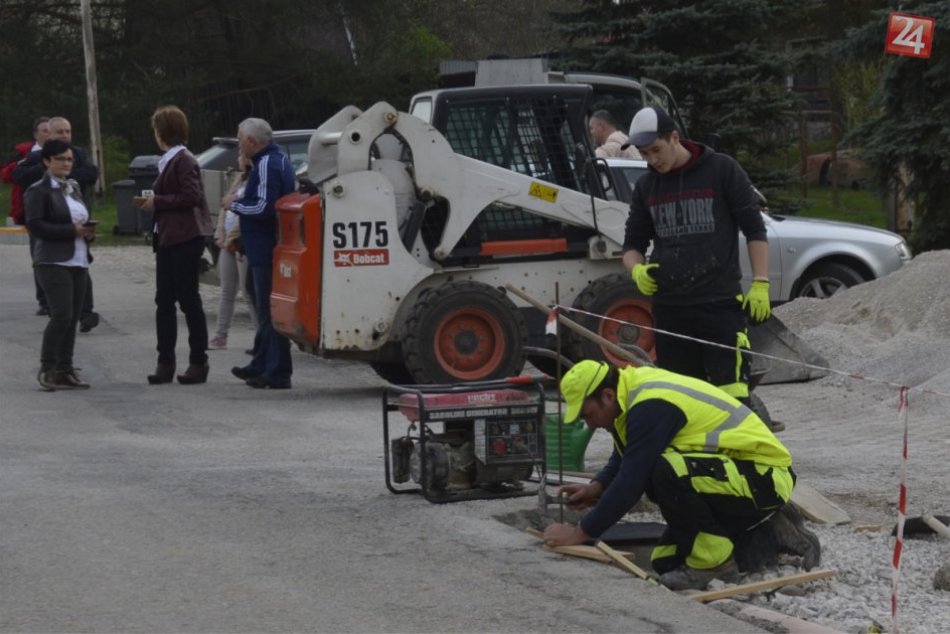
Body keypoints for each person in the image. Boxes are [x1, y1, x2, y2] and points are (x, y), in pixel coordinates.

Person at [542, 360, 820, 590]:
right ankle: (769, 529)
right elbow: (626, 455)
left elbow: (630, 482)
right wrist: (598, 487)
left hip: (763, 477)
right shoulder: (630, 394)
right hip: (738, 478)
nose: (589, 424)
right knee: (665, 562)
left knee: (664, 468)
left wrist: (579, 533)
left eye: (588, 414)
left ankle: (716, 562)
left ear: (607, 396)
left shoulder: (650, 404)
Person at [621, 106, 770, 408]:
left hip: (719, 305)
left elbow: (754, 229)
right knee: (682, 401)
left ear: (675, 137)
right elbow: (632, 245)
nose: (651, 160)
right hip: (671, 310)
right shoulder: (646, 186)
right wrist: (636, 269)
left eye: (656, 150)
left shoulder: (721, 170)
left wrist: (761, 283)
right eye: (644, 154)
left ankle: (742, 452)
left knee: (732, 397)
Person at [137, 106, 214, 385]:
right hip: (167, 236)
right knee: (164, 301)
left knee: (188, 299)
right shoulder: (169, 160)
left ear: (162, 133)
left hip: (185, 236)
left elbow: (191, 196)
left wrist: (158, 202)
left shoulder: (184, 160)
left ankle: (198, 360)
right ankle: (165, 360)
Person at [226, 117, 296, 389]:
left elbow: (265, 207)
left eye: (241, 138)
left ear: (253, 141)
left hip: (267, 249)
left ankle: (277, 370)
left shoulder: (267, 164)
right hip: (258, 246)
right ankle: (261, 361)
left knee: (269, 309)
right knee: (260, 302)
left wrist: (236, 204)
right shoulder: (269, 162)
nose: (239, 144)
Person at [14, 116, 100, 331]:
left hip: (78, 223)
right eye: (60, 132)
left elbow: (91, 173)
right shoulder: (36, 157)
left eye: (68, 132)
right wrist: (50, 171)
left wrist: (66, 173)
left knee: (81, 265)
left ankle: (85, 313)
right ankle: (50, 304)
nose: (65, 136)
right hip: (47, 220)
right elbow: (20, 175)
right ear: (48, 135)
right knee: (44, 262)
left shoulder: (79, 153)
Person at [23, 139, 97, 391]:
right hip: (52, 260)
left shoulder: (73, 186)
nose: (66, 164)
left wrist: (87, 232)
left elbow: (81, 217)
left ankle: (65, 368)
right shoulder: (38, 190)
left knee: (73, 317)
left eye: (69, 159)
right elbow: (35, 225)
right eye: (61, 159)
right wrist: (71, 230)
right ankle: (47, 367)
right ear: (47, 161)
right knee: (61, 315)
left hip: (78, 259)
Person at [208, 154, 258, 350]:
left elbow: (246, 211)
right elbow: (225, 207)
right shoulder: (240, 178)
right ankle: (221, 335)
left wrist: (234, 239)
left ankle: (261, 336)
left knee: (248, 292)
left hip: (241, 241)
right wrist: (220, 233)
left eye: (241, 155)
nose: (238, 158)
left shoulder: (256, 180)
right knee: (227, 290)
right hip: (228, 240)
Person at [2, 116, 50, 226]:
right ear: (36, 135)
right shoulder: (24, 153)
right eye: (45, 131)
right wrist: (17, 165)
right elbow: (5, 176)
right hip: (26, 207)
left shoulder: (65, 152)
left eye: (51, 131)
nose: (49, 134)